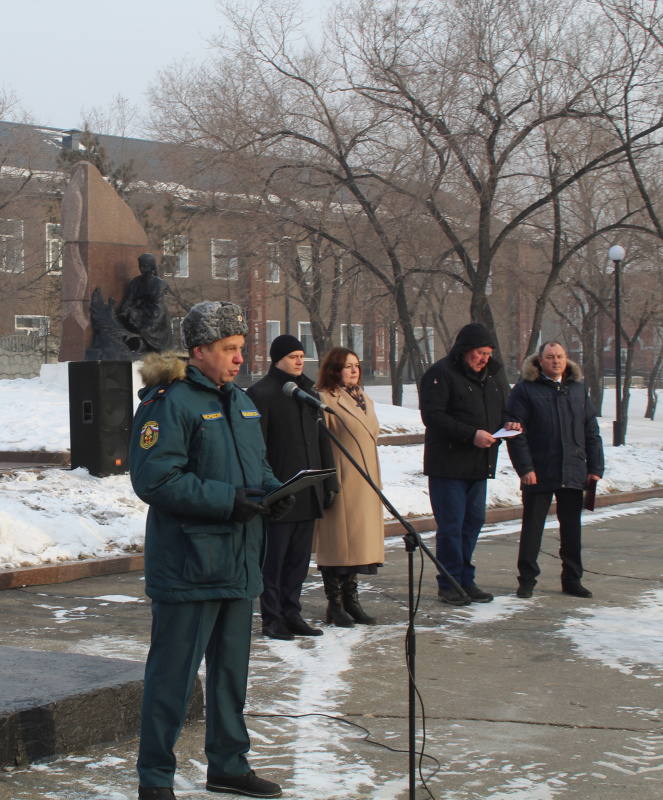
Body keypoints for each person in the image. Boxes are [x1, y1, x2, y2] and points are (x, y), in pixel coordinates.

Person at [130, 301, 293, 800]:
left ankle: (228, 764)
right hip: (189, 564)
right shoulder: (168, 401)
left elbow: (255, 468)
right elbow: (154, 479)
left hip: (239, 560)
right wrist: (228, 502)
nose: (239, 358)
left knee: (230, 676)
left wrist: (276, 494)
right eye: (229, 349)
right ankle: (155, 778)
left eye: (242, 349)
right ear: (199, 351)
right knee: (172, 679)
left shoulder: (241, 402)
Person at [419, 323, 521, 605]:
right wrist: (470, 435)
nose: (485, 358)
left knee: (472, 523)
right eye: (480, 352)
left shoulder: (493, 377)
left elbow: (502, 410)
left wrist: (507, 425)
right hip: (448, 465)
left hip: (480, 464)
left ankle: (466, 580)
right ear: (465, 351)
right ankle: (449, 582)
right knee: (451, 526)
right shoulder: (440, 374)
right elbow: (433, 417)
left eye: (488, 353)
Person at [246, 334, 339, 641]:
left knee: (299, 560)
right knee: (274, 561)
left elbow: (323, 438)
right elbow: (257, 447)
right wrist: (266, 488)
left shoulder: (307, 392)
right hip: (280, 493)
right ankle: (271, 618)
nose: (299, 361)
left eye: (301, 355)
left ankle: (292, 613)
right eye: (293, 356)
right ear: (277, 359)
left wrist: (330, 481)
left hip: (308, 490)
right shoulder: (263, 393)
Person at [506, 341, 604, 599]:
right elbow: (515, 434)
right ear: (540, 361)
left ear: (566, 358)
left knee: (572, 528)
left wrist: (595, 467)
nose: (556, 361)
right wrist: (525, 468)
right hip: (539, 471)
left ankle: (572, 579)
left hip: (573, 470)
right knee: (532, 528)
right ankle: (527, 580)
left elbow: (591, 432)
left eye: (560, 356)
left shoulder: (578, 390)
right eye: (550, 357)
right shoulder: (524, 390)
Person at [314, 347, 385, 626]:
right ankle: (334, 603)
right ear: (334, 369)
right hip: (342, 480)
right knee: (336, 546)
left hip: (365, 481)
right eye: (347, 366)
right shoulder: (324, 399)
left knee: (354, 546)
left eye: (356, 365)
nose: (354, 370)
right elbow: (323, 443)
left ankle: (351, 601)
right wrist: (329, 481)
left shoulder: (363, 397)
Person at [119, 252, 173, 353]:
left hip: (157, 314)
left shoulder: (159, 283)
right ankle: (140, 343)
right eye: (140, 266)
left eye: (145, 266)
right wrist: (125, 310)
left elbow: (158, 307)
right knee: (133, 315)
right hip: (143, 311)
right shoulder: (137, 281)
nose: (142, 268)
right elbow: (130, 299)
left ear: (151, 266)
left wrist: (149, 326)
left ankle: (152, 348)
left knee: (148, 329)